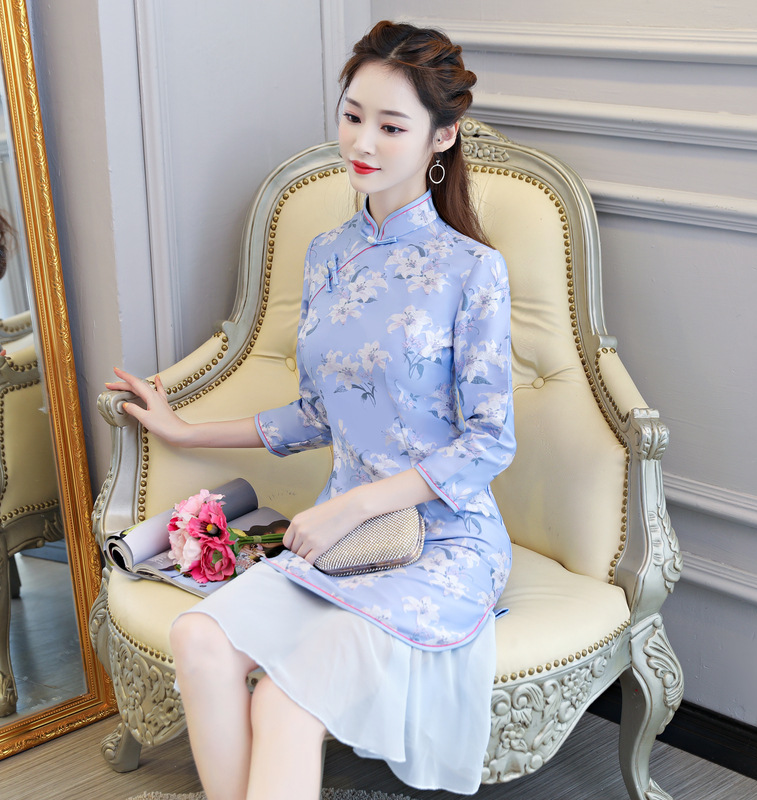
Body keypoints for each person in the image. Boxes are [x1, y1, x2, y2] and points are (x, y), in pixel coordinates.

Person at [108, 20, 515, 800]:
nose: (361, 140)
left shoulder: (473, 269)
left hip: (441, 543)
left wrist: (350, 505)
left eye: (391, 125)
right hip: (343, 541)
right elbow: (319, 413)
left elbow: (490, 442)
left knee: (284, 702)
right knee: (199, 639)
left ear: (441, 137)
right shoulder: (327, 253)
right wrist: (185, 430)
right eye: (352, 114)